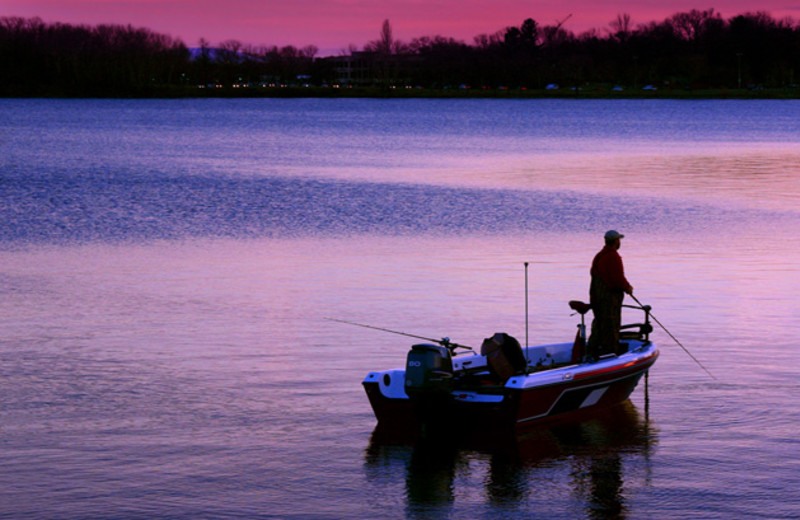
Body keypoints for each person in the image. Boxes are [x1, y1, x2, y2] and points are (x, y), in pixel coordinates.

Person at [587, 230, 633, 359]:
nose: (620, 243)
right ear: (616, 241)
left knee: (599, 324)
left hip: (597, 298)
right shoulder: (613, 256)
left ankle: (592, 350)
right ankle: (610, 354)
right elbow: (617, 277)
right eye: (619, 240)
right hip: (609, 299)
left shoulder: (599, 256)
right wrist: (627, 287)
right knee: (611, 326)